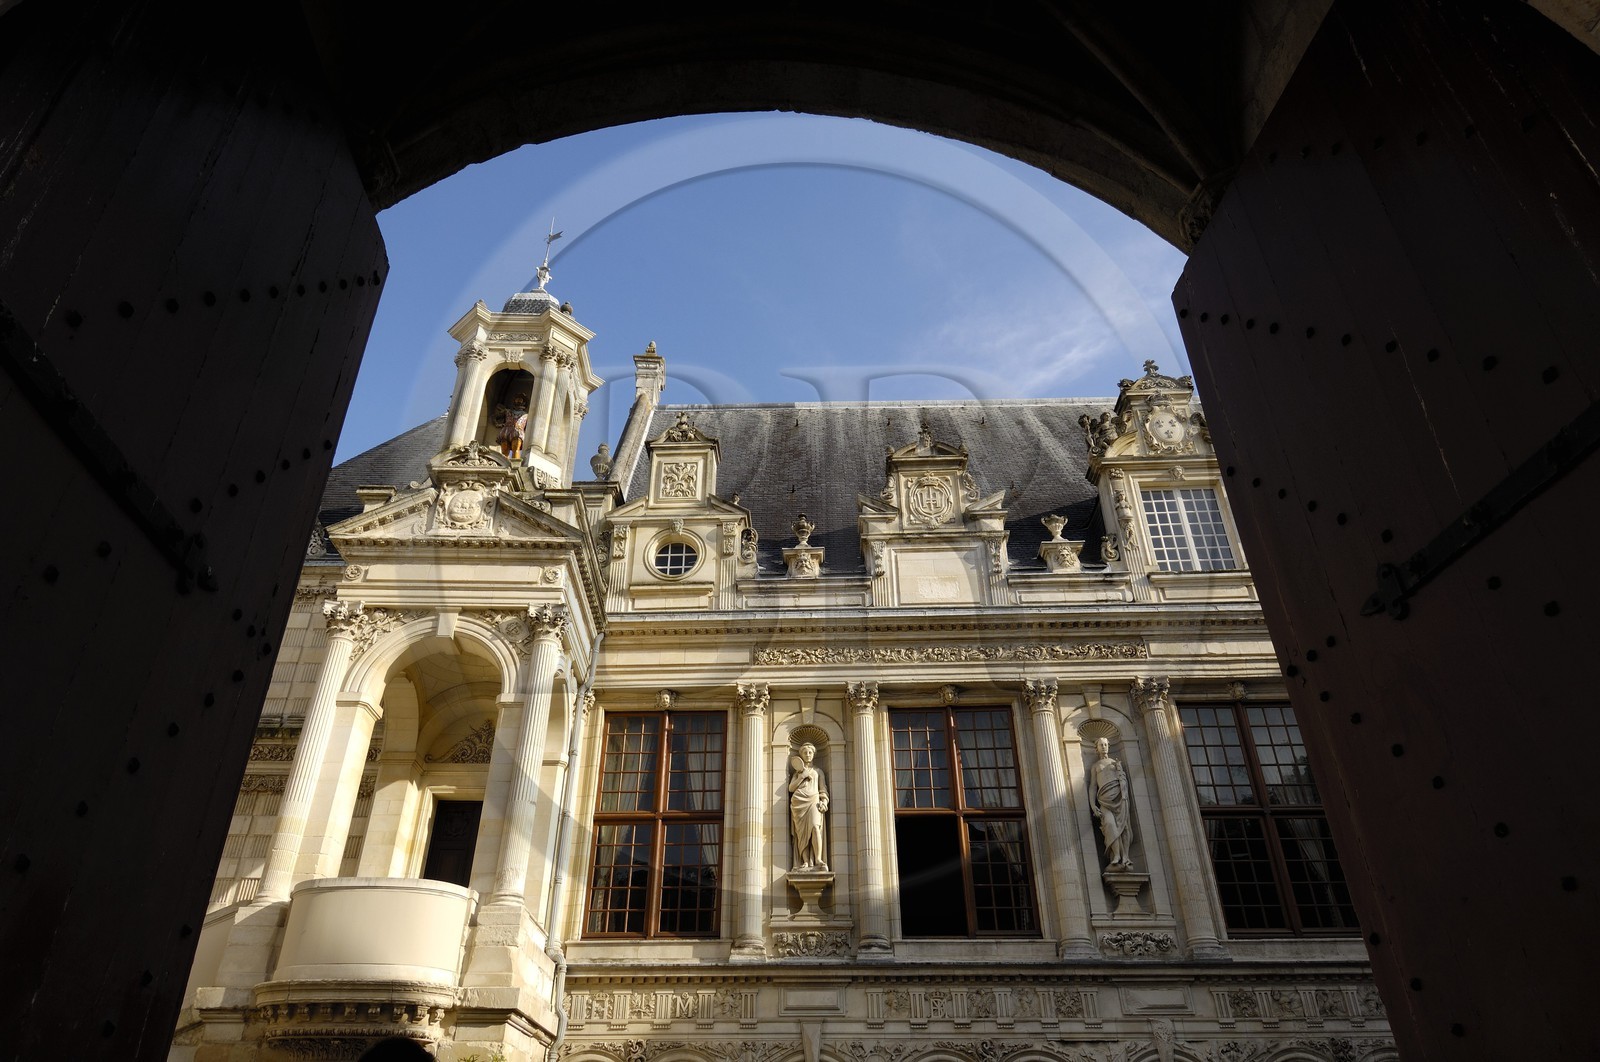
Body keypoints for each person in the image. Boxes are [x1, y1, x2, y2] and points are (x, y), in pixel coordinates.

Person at [1089, 736, 1134, 868]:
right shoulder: (1095, 766)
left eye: (1105, 744)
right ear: (1096, 748)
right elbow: (1093, 787)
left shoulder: (1115, 763)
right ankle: (1116, 855)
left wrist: (1120, 771)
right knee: (1109, 824)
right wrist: (1093, 805)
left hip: (1120, 799)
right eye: (1101, 745)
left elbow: (1123, 782)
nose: (1104, 747)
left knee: (1124, 827)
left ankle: (1125, 856)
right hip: (1104, 801)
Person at [788, 742, 829, 871]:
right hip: (798, 803)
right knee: (801, 834)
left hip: (814, 801)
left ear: (813, 754)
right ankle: (805, 861)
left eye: (810, 752)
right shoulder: (798, 773)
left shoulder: (818, 771)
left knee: (815, 827)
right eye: (805, 752)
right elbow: (791, 788)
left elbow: (823, 789)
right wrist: (802, 776)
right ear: (801, 755)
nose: (808, 754)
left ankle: (818, 859)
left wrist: (824, 802)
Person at [496, 392, 529, 460]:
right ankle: (503, 462)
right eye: (517, 399)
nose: (518, 400)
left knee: (516, 448)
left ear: (524, 402)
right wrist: (498, 424)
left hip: (518, 431)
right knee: (504, 450)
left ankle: (515, 463)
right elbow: (495, 417)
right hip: (506, 431)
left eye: (520, 399)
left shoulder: (526, 415)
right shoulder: (507, 411)